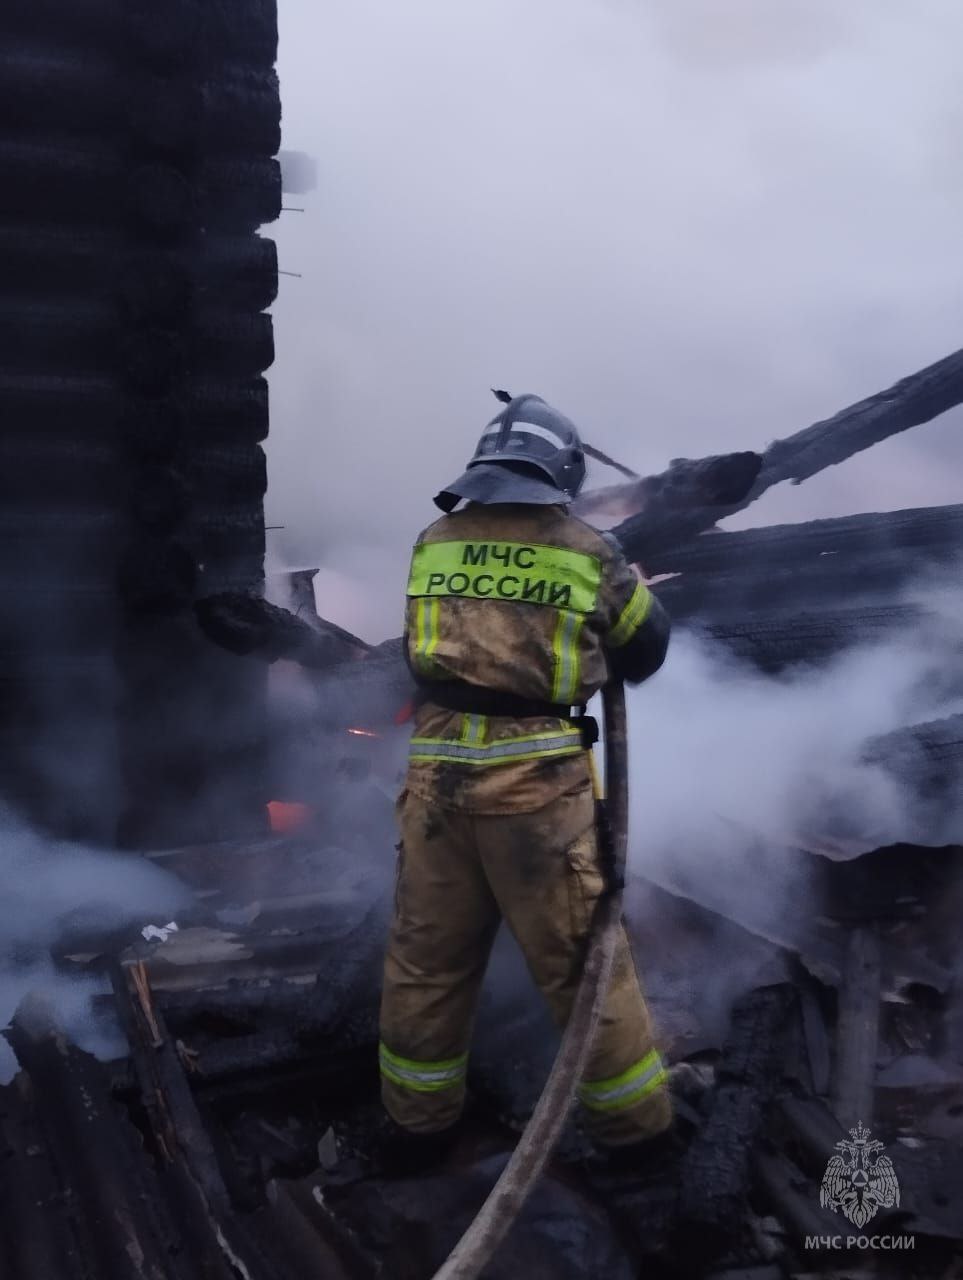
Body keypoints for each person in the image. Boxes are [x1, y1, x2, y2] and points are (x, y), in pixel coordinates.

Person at [378, 392, 673, 1170]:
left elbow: (418, 656)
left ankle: (417, 1125)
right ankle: (638, 1135)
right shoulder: (586, 548)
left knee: (425, 962)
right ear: (561, 472)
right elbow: (646, 652)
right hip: (536, 789)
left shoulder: (433, 540)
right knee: (585, 969)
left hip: (436, 780)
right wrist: (628, 589)